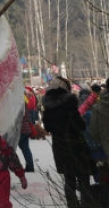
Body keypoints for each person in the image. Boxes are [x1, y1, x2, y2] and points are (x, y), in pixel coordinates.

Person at [43, 76, 95, 208]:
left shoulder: (48, 107)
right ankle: (87, 204)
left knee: (69, 179)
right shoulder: (69, 103)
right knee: (83, 178)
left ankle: (72, 205)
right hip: (75, 146)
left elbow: (47, 127)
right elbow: (80, 125)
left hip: (60, 148)